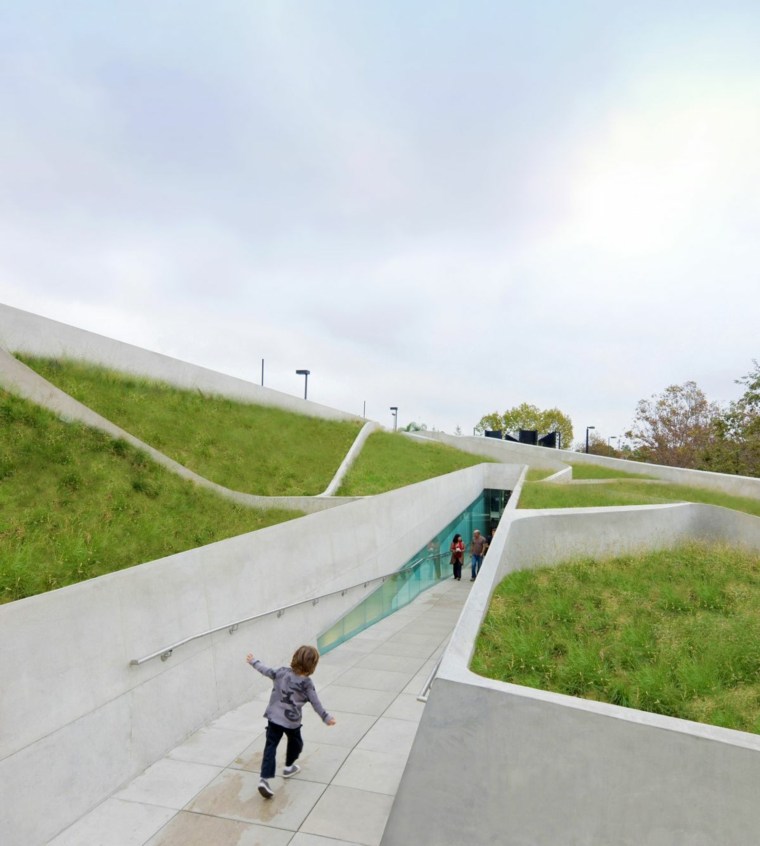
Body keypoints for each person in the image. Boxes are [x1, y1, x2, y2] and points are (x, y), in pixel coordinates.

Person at [246, 645, 336, 799]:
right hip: (292, 722)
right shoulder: (307, 684)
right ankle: (288, 767)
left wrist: (253, 661)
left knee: (270, 747)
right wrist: (326, 717)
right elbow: (316, 703)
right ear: (312, 665)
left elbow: (265, 669)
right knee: (296, 744)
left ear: (294, 658)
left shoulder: (281, 672)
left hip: (274, 719)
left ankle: (264, 779)